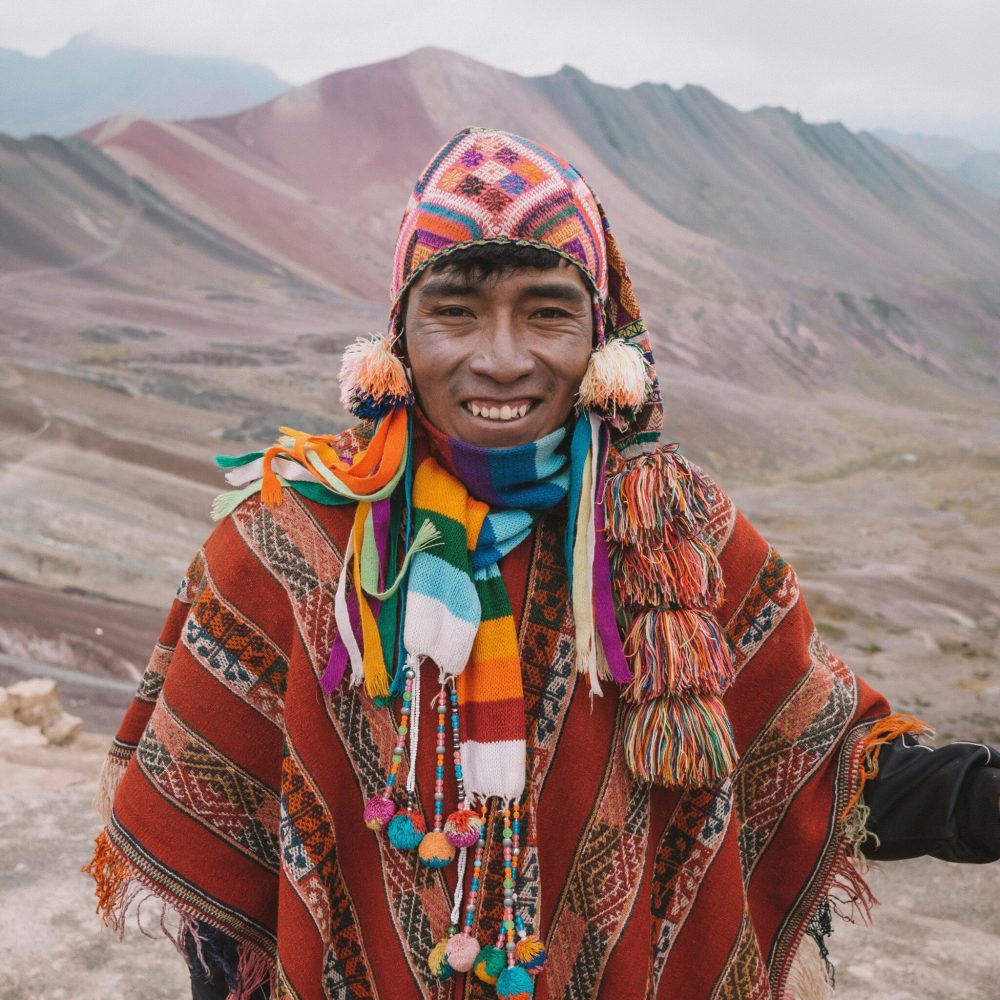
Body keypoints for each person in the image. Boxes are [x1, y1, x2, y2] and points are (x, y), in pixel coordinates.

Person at [85, 128, 1000, 1000]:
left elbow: (818, 756)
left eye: (548, 313)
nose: (503, 358)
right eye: (454, 312)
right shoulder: (288, 543)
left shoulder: (677, 537)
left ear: (601, 342)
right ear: (398, 337)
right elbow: (227, 869)